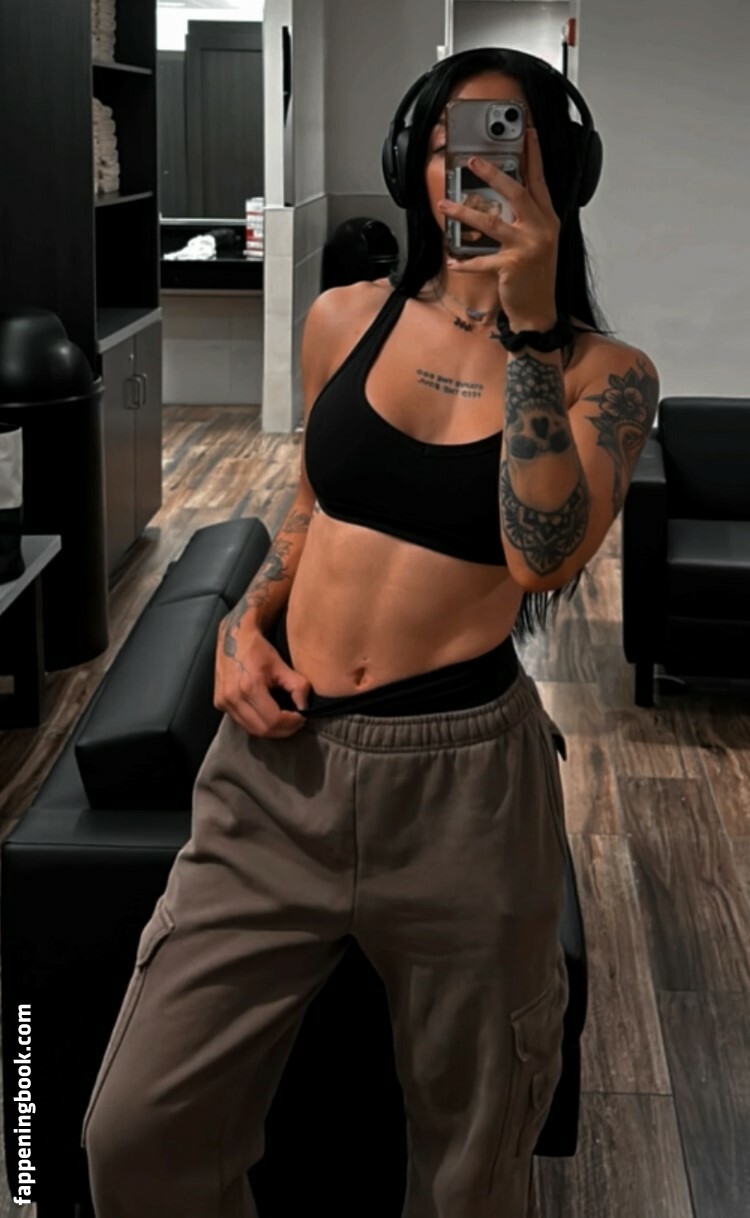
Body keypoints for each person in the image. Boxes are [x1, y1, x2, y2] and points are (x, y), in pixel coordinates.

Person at [81, 46, 659, 1218]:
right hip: (275, 775)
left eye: (505, 147)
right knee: (134, 1134)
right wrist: (244, 622)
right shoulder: (344, 318)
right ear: (411, 165)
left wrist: (527, 329)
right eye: (448, 147)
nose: (471, 173)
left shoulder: (607, 376)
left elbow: (543, 555)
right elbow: (313, 512)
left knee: (471, 1166)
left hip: (461, 790)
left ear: (561, 175)